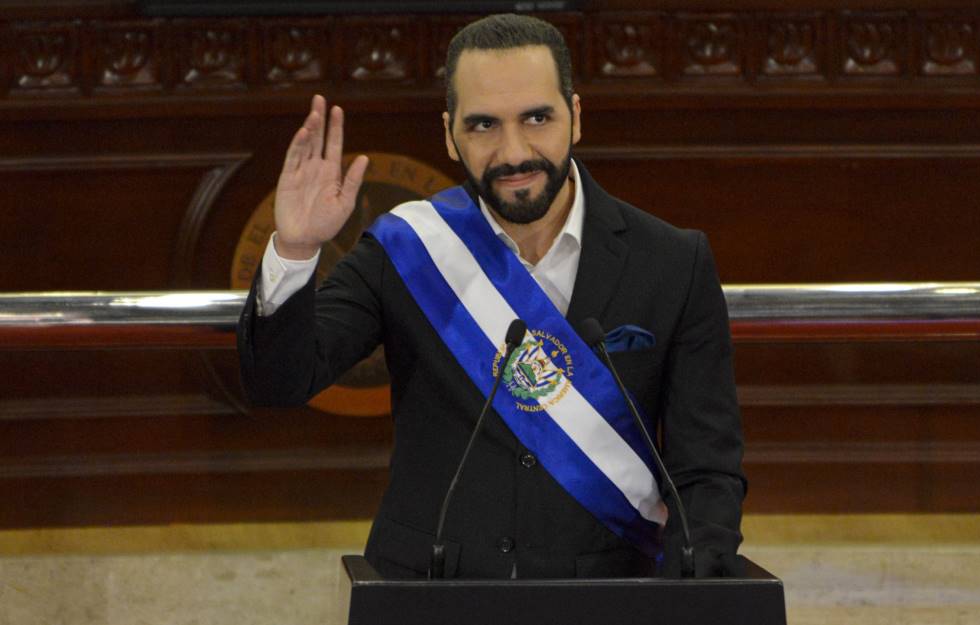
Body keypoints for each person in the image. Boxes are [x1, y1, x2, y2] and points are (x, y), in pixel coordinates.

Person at [237, 13, 745, 579]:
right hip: (431, 589)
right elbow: (280, 382)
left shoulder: (673, 261)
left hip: (608, 590)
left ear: (576, 117)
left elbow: (707, 470)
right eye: (483, 125)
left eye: (537, 118)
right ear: (449, 134)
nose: (513, 151)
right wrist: (297, 247)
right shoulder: (409, 248)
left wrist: (689, 591)